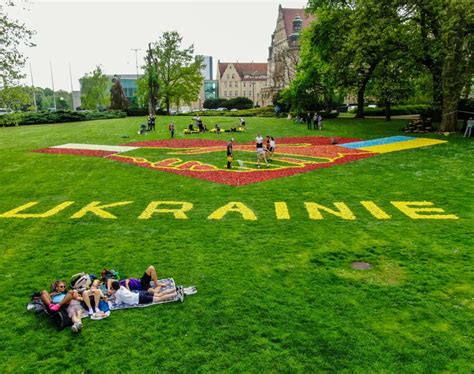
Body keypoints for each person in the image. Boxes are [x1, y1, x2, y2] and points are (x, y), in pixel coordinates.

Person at [110, 280, 183, 305]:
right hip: (140, 293)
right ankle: (176, 289)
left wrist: (113, 294)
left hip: (139, 299)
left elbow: (117, 303)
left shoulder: (117, 294)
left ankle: (177, 293)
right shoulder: (122, 287)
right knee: (159, 294)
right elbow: (128, 291)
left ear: (113, 288)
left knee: (158, 299)